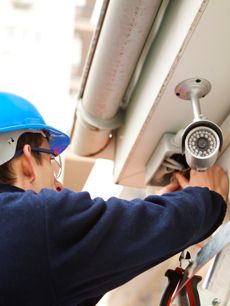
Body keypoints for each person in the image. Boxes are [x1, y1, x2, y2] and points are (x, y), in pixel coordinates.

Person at [0, 92, 228, 306]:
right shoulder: (30, 220)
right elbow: (125, 234)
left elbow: (93, 267)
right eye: (51, 162)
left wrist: (159, 206)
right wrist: (205, 198)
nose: (58, 184)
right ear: (27, 162)